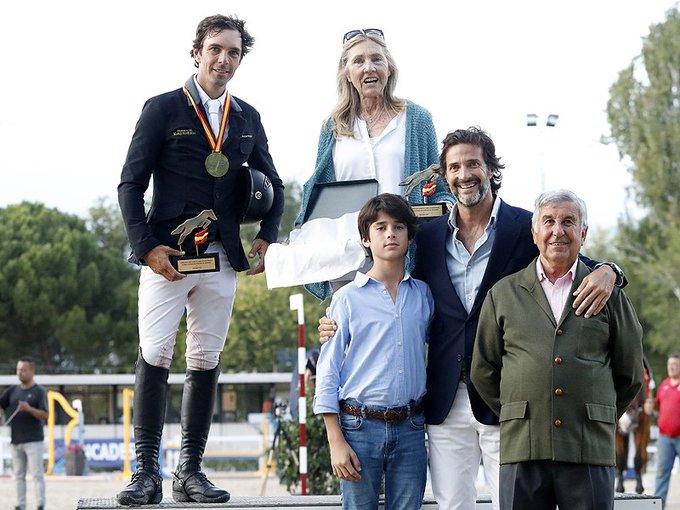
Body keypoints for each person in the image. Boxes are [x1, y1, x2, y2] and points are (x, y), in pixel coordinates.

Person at [319, 127, 625, 510]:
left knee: (509, 503)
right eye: (455, 166)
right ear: (445, 175)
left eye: (473, 164)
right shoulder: (428, 234)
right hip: (443, 397)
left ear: (491, 169)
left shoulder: (523, 225)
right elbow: (383, 278)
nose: (465, 174)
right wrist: (334, 319)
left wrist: (610, 270)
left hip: (504, 398)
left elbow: (562, 256)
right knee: (453, 505)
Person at [117, 14, 284, 505]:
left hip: (222, 258)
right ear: (197, 52)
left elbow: (272, 183)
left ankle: (190, 472)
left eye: (233, 52)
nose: (223, 59)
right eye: (215, 49)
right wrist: (146, 247)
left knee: (205, 359)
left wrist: (267, 237)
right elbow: (130, 184)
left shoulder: (248, 117)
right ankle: (145, 473)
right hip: (167, 256)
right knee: (156, 354)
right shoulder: (163, 109)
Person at [471, 189, 644, 510]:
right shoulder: (504, 294)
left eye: (568, 221)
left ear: (583, 233)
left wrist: (597, 414)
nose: (557, 230)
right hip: (524, 446)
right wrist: (519, 410)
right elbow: (483, 370)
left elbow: (631, 372)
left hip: (587, 446)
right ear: (534, 232)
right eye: (548, 221)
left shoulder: (609, 294)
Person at [295, 28, 452, 301]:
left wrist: (446, 205)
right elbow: (318, 186)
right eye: (358, 61)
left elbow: (436, 182)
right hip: (347, 255)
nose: (369, 67)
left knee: (401, 332)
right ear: (346, 72)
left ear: (389, 68)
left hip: (400, 250)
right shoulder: (333, 126)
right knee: (349, 335)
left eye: (377, 59)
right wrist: (300, 230)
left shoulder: (416, 119)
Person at [314, 194, 433, 509]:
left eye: (398, 227)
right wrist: (335, 440)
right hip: (358, 428)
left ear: (409, 236)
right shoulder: (347, 299)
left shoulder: (423, 295)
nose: (390, 233)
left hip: (410, 429)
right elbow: (327, 371)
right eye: (380, 227)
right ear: (366, 238)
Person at [0, 357, 48, 510]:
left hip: (34, 440)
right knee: (19, 476)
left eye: (23, 369)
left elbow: (45, 415)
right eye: (18, 369)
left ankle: (40, 504)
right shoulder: (12, 391)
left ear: (32, 371)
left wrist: (29, 409)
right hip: (16, 440)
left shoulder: (39, 391)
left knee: (37, 475)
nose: (20, 372)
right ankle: (20, 505)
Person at [648, 353, 680, 508]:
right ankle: (659, 506)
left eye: (675, 364)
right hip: (665, 438)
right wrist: (650, 406)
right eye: (669, 364)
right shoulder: (664, 385)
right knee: (661, 474)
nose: (671, 367)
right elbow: (657, 407)